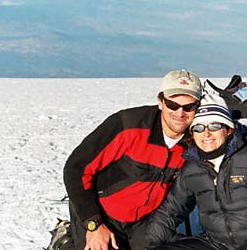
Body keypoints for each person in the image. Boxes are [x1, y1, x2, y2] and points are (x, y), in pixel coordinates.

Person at [63, 69, 203, 250]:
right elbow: (76, 169)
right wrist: (93, 224)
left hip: (145, 222)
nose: (180, 113)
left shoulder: (198, 137)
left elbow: (229, 141)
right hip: (102, 214)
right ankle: (66, 241)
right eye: (172, 105)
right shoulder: (128, 126)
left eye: (189, 107)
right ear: (160, 102)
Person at [145, 93, 247, 250]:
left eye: (214, 126)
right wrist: (151, 244)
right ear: (192, 133)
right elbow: (170, 211)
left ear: (228, 129)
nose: (206, 134)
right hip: (217, 244)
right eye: (199, 128)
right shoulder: (192, 167)